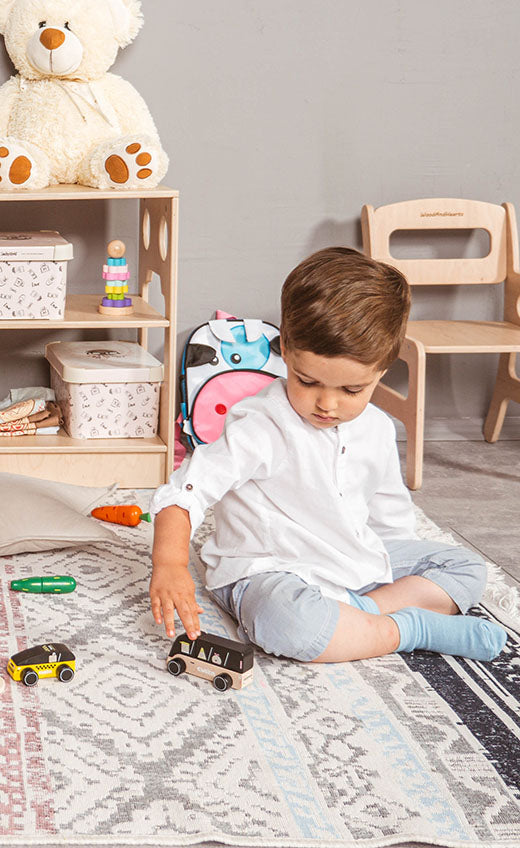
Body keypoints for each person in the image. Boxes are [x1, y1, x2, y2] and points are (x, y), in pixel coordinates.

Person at [149, 246, 507, 663]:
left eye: (351, 390)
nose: (328, 404)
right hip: (269, 571)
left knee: (466, 569)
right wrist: (170, 563)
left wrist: (385, 567)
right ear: (285, 349)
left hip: (349, 565)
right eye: (307, 381)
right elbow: (185, 492)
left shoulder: (376, 428)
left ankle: (362, 617)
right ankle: (409, 628)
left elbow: (389, 516)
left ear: (382, 372)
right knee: (293, 624)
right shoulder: (262, 425)